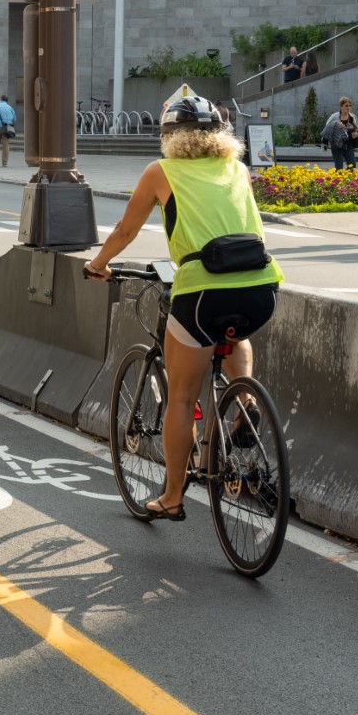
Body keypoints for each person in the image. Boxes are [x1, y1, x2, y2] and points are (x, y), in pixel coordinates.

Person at [83, 96, 283, 521]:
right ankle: (243, 395)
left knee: (182, 397)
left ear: (170, 137)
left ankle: (172, 497)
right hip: (261, 287)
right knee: (235, 333)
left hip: (202, 290)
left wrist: (98, 265)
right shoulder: (239, 169)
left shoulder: (161, 171)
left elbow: (125, 230)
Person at [321, 97, 358, 170]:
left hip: (348, 144)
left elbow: (357, 129)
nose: (348, 107)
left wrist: (356, 133)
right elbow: (327, 128)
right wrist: (336, 125)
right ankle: (338, 179)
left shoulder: (352, 117)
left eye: (350, 105)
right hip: (336, 144)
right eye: (346, 106)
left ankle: (345, 178)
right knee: (339, 167)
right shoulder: (334, 116)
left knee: (352, 166)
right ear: (341, 106)